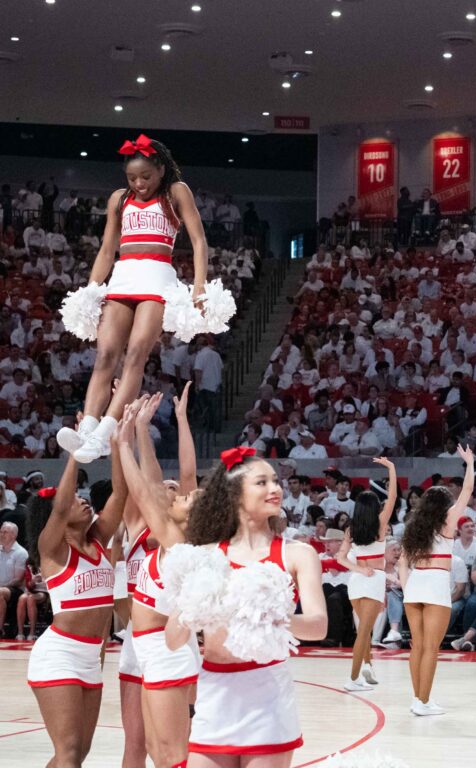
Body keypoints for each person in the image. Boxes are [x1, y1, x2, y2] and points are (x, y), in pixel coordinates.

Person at [165, 447, 327, 765]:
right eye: (262, 482)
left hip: (267, 695)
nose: (275, 488)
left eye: (276, 481)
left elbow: (318, 626)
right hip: (214, 693)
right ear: (236, 495)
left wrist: (269, 617)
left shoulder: (297, 554)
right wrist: (190, 607)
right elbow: (172, 641)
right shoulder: (205, 555)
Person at [57, 134, 209, 462]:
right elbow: (107, 249)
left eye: (145, 177)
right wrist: (90, 290)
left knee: (137, 353)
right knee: (106, 355)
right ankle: (87, 429)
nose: (139, 183)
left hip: (157, 279)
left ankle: (103, 433)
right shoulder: (118, 199)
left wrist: (199, 285)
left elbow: (198, 241)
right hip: (123, 277)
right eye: (131, 178)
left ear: (161, 169)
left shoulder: (176, 192)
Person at [26, 444, 127, 766]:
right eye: (73, 500)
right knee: (68, 754)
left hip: (91, 656)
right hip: (60, 655)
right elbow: (57, 510)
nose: (82, 500)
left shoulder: (98, 540)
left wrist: (117, 446)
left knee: (76, 755)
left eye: (83, 497)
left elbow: (121, 493)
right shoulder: (53, 549)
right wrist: (76, 453)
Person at [115, 394, 199, 768]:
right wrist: (141, 430)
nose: (170, 491)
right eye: (165, 490)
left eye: (175, 492)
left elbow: (183, 477)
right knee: (145, 746)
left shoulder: (177, 537)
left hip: (166, 644)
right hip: (140, 643)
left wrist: (129, 440)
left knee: (172, 749)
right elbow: (145, 484)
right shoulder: (139, 528)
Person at [399, 444, 475, 716]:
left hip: (414, 586)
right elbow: (467, 492)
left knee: (417, 647)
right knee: (431, 648)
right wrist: (470, 463)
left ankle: (418, 699)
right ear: (445, 506)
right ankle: (423, 701)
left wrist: (407, 587)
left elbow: (403, 563)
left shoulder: (413, 527)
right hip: (435, 585)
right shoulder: (447, 520)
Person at [335, 458, 397, 692]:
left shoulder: (351, 529)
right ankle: (352, 679)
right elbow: (392, 498)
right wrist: (391, 468)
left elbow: (340, 558)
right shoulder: (381, 524)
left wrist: (359, 569)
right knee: (364, 632)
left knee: (363, 628)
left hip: (356, 581)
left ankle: (368, 666)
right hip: (373, 580)